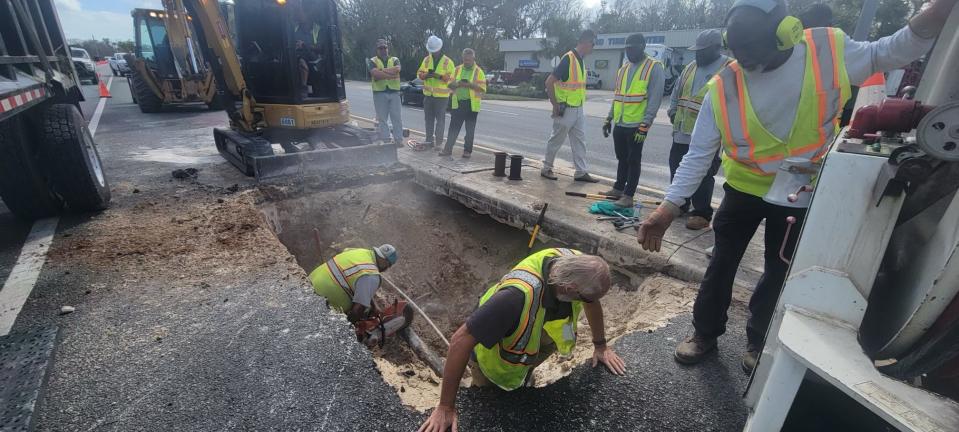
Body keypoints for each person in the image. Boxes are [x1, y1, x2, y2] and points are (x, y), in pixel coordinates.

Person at [637, 0, 957, 374]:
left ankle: (758, 340)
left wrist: (935, 14)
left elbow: (893, 50)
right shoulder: (723, 86)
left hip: (798, 191)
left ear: (786, 33)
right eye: (745, 58)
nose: (753, 67)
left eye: (759, 56)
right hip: (743, 190)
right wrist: (667, 208)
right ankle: (704, 333)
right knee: (721, 263)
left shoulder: (826, 53)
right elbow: (697, 155)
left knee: (779, 269)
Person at [418, 249, 626, 432]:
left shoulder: (580, 266)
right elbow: (460, 341)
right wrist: (445, 407)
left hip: (527, 345)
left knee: (520, 381)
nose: (591, 303)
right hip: (492, 359)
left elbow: (591, 302)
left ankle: (523, 380)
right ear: (570, 288)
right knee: (489, 404)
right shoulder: (515, 299)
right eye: (588, 298)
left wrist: (601, 346)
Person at [666, 29, 731, 230]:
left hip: (709, 136)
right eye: (697, 51)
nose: (698, 55)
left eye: (703, 51)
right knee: (676, 166)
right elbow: (677, 91)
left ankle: (701, 212)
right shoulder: (690, 67)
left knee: (703, 173)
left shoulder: (728, 68)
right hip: (682, 130)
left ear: (716, 48)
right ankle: (680, 204)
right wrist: (672, 110)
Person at [601, 33, 665, 208]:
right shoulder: (623, 69)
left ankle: (628, 195)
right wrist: (609, 118)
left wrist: (645, 125)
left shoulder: (654, 67)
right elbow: (618, 97)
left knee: (633, 159)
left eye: (632, 49)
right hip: (620, 122)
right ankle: (618, 188)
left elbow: (655, 99)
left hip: (637, 125)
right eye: (627, 49)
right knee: (621, 158)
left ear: (642, 47)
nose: (629, 52)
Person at [541, 30, 600, 183]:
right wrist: (555, 105)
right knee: (556, 140)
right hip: (565, 108)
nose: (593, 48)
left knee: (580, 141)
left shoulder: (581, 60)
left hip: (578, 108)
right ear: (586, 43)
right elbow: (549, 82)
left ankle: (581, 172)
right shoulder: (569, 59)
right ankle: (546, 168)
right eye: (592, 44)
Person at [309, 244, 397, 323]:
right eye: (388, 266)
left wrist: (373, 305)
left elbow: (358, 281)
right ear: (385, 263)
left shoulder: (358, 251)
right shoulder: (372, 275)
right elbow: (357, 311)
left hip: (308, 283)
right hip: (320, 303)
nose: (386, 269)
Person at [440, 48, 487, 158]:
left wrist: (469, 85)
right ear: (462, 58)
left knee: (470, 130)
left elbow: (482, 89)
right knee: (453, 128)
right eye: (465, 60)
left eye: (469, 60)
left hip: (472, 105)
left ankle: (467, 151)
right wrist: (457, 84)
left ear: (473, 59)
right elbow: (449, 85)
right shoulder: (457, 69)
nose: (467, 62)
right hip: (458, 103)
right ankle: (447, 150)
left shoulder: (478, 71)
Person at [417, 36, 456, 149]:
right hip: (428, 95)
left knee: (440, 120)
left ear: (439, 48)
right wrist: (426, 75)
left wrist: (439, 76)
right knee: (428, 119)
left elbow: (451, 79)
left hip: (442, 96)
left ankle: (439, 142)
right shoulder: (426, 60)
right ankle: (429, 140)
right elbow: (419, 74)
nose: (433, 53)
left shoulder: (448, 62)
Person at [368, 39, 404, 146]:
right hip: (379, 93)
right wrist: (390, 74)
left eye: (385, 47)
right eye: (381, 48)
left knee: (396, 117)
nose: (383, 50)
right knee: (382, 119)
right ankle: (387, 140)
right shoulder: (373, 60)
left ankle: (398, 140)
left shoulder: (395, 59)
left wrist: (381, 70)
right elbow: (375, 74)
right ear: (377, 49)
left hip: (394, 93)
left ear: (388, 48)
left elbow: (397, 69)